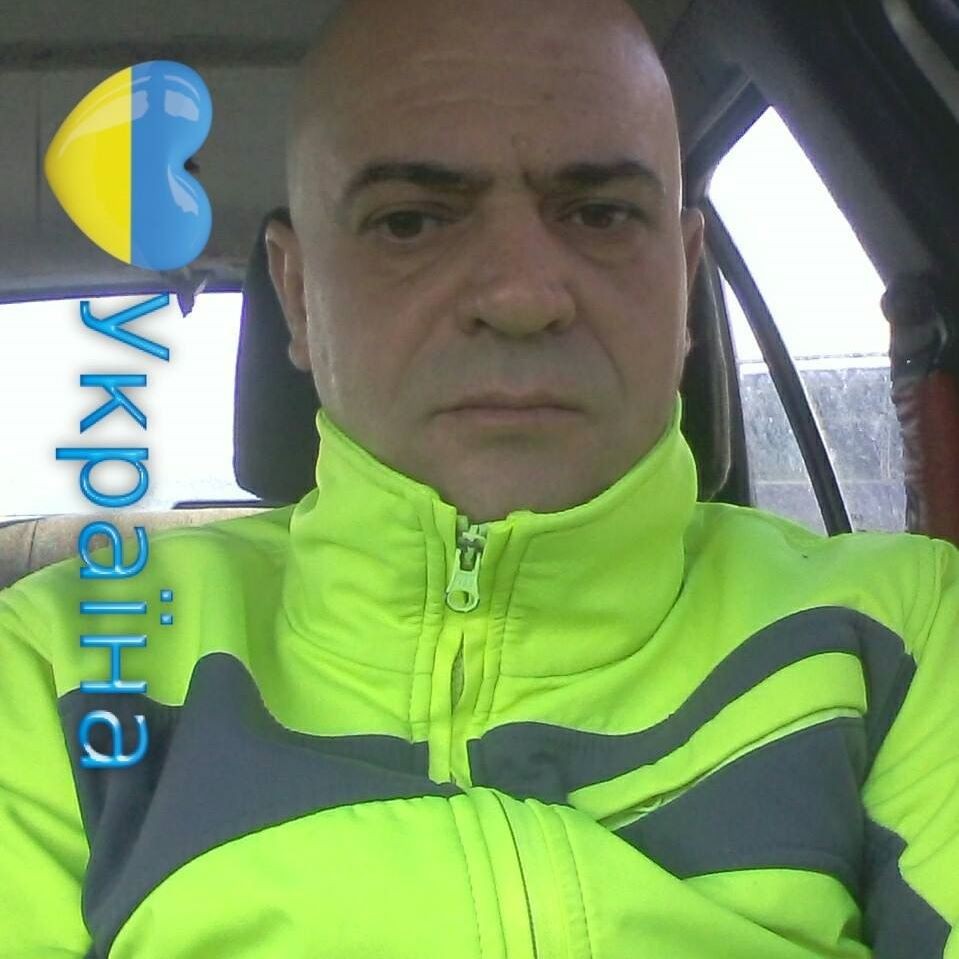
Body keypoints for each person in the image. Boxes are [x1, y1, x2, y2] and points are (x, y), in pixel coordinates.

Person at [1, 0, 956, 955]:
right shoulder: (59, 666)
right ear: (297, 297)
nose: (522, 296)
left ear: (682, 276)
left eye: (600, 214)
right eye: (409, 222)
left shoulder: (905, 632)